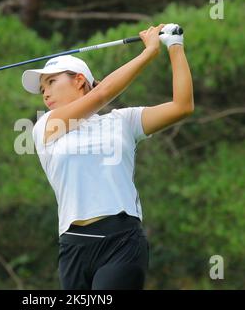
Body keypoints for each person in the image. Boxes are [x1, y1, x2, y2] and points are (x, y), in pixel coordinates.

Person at [22, 23, 194, 290]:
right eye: (42, 88)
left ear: (79, 80)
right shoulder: (46, 126)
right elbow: (102, 94)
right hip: (73, 247)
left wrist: (174, 46)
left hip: (122, 241)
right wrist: (147, 53)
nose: (45, 93)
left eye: (51, 82)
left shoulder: (122, 121)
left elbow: (182, 106)